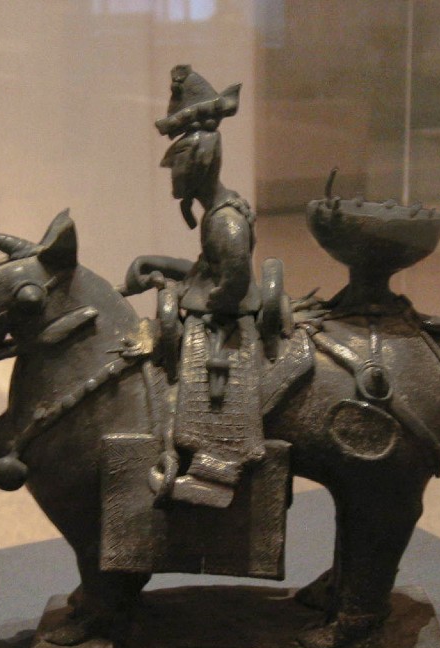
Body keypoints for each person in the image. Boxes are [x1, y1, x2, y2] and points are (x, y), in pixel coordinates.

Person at [146, 65, 265, 509]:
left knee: (209, 369)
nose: (173, 175)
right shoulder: (217, 213)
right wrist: (158, 267)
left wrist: (201, 304)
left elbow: (232, 281)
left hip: (228, 315)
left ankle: (216, 468)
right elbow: (207, 269)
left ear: (195, 166)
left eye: (177, 166)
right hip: (216, 299)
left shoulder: (224, 221)